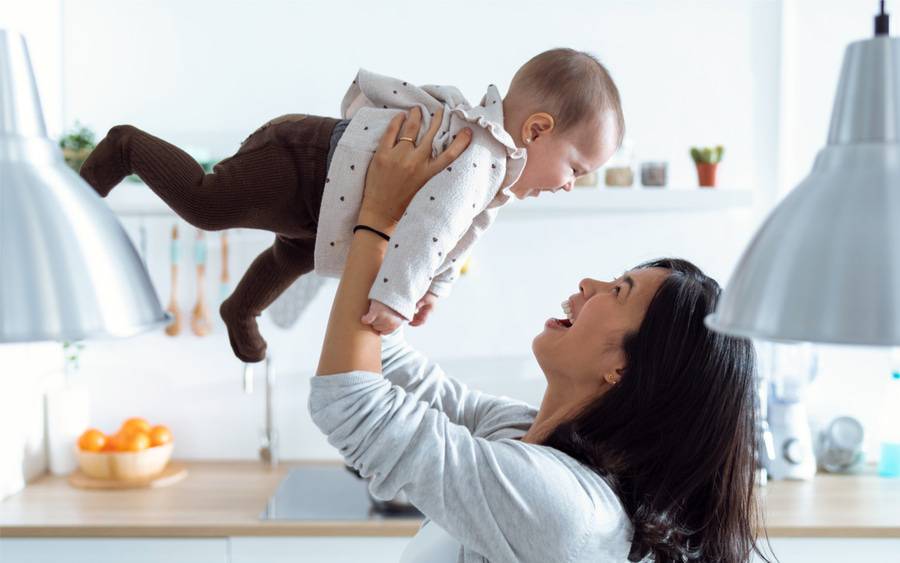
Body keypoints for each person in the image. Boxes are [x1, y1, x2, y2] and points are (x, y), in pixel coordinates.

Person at [311, 110, 770, 563]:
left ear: (624, 368)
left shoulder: (565, 510)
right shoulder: (526, 434)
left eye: (617, 292)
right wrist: (404, 256)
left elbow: (353, 405)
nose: (589, 284)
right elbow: (392, 365)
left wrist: (377, 218)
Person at [78, 48, 623, 363]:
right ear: (535, 129)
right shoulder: (477, 155)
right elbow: (431, 226)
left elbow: (459, 237)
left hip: (324, 205)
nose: (570, 184)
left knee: (295, 257)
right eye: (575, 168)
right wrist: (396, 298)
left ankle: (240, 308)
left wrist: (433, 287)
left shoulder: (495, 174)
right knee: (208, 206)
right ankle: (125, 147)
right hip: (301, 161)